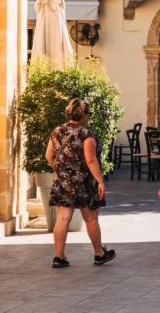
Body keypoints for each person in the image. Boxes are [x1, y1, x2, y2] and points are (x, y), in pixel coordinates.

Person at [45, 98, 114, 268]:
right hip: (84, 181)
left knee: (63, 218)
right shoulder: (86, 134)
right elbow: (91, 160)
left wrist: (62, 171)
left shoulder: (57, 131)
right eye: (88, 114)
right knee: (90, 218)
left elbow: (49, 156)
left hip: (63, 181)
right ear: (83, 115)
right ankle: (99, 253)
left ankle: (59, 257)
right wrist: (100, 181)